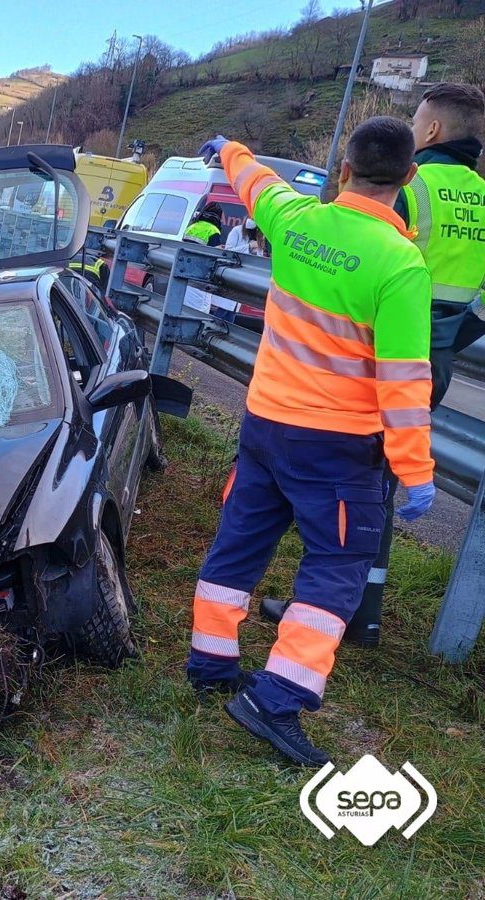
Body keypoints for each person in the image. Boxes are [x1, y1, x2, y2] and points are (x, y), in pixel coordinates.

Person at [185, 119, 436, 766]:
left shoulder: (296, 219)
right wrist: (415, 470)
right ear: (408, 179)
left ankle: (211, 664)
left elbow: (255, 182)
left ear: (343, 169)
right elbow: (405, 381)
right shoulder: (399, 263)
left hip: (265, 425)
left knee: (240, 540)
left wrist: (229, 149)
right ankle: (277, 698)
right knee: (338, 565)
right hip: (337, 447)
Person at [261, 83, 485, 646]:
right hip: (438, 359)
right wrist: (455, 335)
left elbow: (356, 264)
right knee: (375, 490)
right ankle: (364, 612)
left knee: (345, 493)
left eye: (415, 119)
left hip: (371, 364)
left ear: (430, 133)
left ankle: (339, 610)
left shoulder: (411, 185)